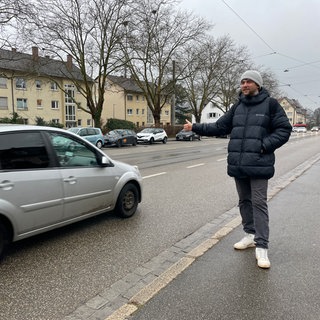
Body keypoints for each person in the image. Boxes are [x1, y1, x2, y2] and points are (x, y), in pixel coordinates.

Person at [184, 70, 292, 269]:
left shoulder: (271, 105)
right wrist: (196, 127)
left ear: (257, 84)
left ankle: (262, 246)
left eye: (248, 81)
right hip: (239, 163)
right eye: (242, 82)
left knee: (258, 203)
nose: (244, 85)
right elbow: (219, 127)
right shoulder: (238, 106)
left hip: (259, 164)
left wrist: (263, 145)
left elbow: (284, 129)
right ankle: (250, 235)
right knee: (244, 201)